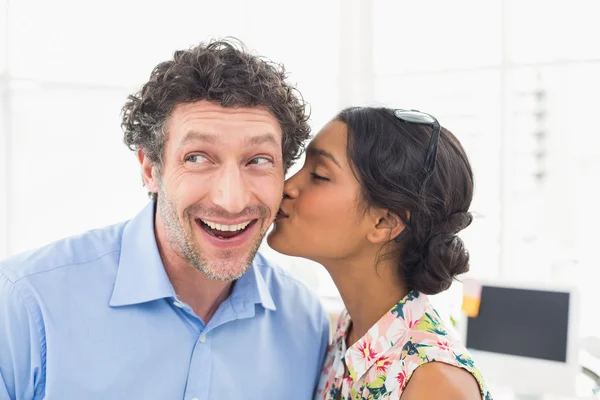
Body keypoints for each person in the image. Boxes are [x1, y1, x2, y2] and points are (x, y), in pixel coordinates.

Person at [0, 39, 330, 400]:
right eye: (197, 158)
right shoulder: (24, 305)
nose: (232, 200)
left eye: (259, 161)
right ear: (149, 169)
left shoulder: (306, 324)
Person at [268, 107, 493, 400]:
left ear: (385, 222)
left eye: (320, 175)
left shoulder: (435, 384)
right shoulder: (347, 335)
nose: (286, 187)